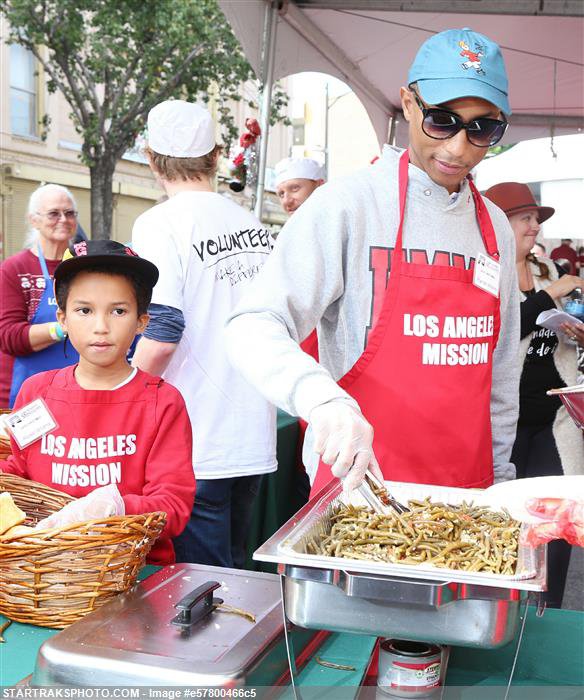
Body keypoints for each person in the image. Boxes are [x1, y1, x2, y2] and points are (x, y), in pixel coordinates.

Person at [226, 28, 521, 495]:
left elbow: (501, 376)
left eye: (483, 128)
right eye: (441, 121)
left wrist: (502, 482)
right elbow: (253, 323)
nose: (459, 148)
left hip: (469, 499)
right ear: (408, 103)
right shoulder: (348, 206)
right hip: (361, 497)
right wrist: (322, 401)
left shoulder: (497, 227)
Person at [131, 100, 277, 569]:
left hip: (196, 439)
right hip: (254, 434)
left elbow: (166, 328)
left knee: (204, 592)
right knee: (235, 573)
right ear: (216, 155)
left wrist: (128, 390)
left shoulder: (160, 223)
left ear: (153, 160)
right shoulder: (253, 226)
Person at [0, 240, 195, 565]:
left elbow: (173, 506)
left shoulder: (163, 402)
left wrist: (116, 507)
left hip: (131, 571)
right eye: (84, 310)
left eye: (119, 311)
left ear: (141, 322)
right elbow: (17, 471)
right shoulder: (37, 392)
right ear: (62, 318)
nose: (101, 327)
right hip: (43, 567)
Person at [484, 181, 584, 607]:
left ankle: (550, 610)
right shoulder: (487, 271)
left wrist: (575, 331)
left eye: (535, 219)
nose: (534, 227)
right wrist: (548, 296)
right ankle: (499, 607)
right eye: (525, 218)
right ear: (499, 223)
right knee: (502, 516)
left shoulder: (547, 271)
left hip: (552, 415)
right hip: (501, 417)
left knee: (557, 515)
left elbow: (556, 336)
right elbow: (496, 334)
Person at [0, 184, 80, 408]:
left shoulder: (85, 267)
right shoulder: (14, 268)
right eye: (54, 213)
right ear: (33, 220)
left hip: (76, 389)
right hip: (24, 393)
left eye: (70, 213)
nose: (63, 219)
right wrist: (64, 327)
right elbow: (9, 336)